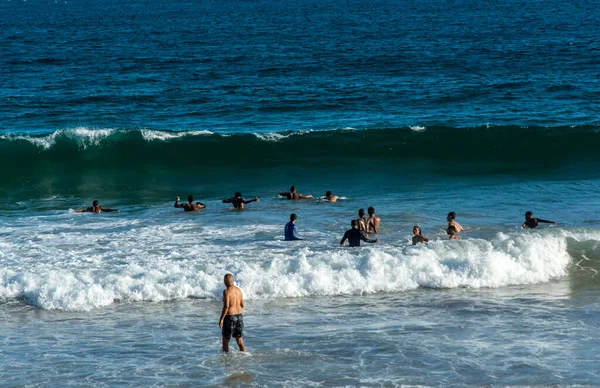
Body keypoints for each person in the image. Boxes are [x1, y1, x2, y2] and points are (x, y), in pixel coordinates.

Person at [219, 273, 247, 353]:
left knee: (225, 342)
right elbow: (242, 304)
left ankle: (227, 362)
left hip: (230, 318)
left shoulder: (226, 292)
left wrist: (221, 319)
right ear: (233, 281)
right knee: (240, 341)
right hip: (239, 317)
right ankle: (245, 357)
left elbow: (226, 306)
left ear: (225, 282)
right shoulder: (239, 290)